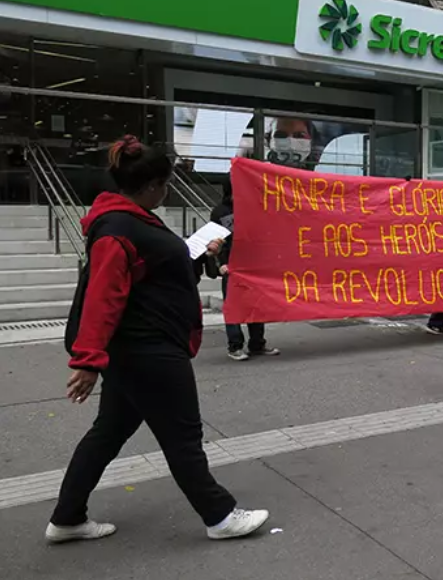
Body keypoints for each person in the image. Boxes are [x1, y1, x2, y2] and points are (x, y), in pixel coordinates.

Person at [47, 136, 268, 544]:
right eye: (165, 184)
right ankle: (219, 515)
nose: (166, 192)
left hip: (140, 349)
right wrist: (87, 360)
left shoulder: (132, 219)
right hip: (148, 350)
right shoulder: (118, 228)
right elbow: (103, 295)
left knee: (108, 433)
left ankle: (67, 517)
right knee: (183, 435)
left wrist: (200, 255)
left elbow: (153, 271)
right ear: (152, 185)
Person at [211, 177, 280, 361]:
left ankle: (257, 344)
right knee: (234, 306)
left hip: (253, 265)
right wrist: (221, 263)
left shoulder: (253, 208)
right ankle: (235, 346)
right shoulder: (220, 212)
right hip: (232, 267)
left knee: (256, 305)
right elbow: (216, 241)